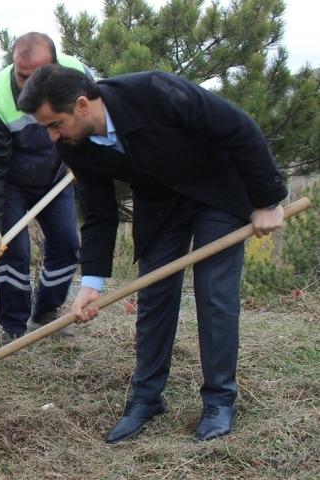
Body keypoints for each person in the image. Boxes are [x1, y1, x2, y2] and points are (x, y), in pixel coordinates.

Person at [17, 64, 287, 443]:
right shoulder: (71, 143)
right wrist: (92, 281)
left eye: (54, 123)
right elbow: (98, 210)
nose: (51, 136)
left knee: (215, 295)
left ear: (81, 105)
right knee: (153, 295)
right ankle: (146, 398)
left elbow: (237, 126)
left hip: (217, 191)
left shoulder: (154, 91)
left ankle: (219, 401)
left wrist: (267, 200)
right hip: (160, 205)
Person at [0, 32, 84, 344]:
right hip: (11, 184)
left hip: (57, 177)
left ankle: (45, 315)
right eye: (22, 76)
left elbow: (91, 121)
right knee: (14, 253)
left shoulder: (78, 77)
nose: (28, 85)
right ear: (14, 64)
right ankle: (13, 328)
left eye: (37, 77)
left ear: (56, 68)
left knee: (66, 244)